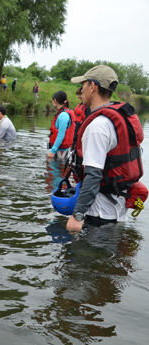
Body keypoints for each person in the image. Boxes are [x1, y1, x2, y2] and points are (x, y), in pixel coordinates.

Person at [67, 65, 144, 232]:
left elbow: (93, 176)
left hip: (99, 216)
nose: (81, 91)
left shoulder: (98, 126)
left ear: (92, 87)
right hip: (116, 211)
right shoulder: (116, 118)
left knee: (87, 257)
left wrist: (77, 215)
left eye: (83, 85)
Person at [47, 90, 75, 162]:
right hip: (60, 150)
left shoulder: (63, 115)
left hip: (60, 152)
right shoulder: (63, 113)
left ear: (55, 100)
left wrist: (52, 151)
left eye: (52, 101)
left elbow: (61, 135)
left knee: (57, 172)